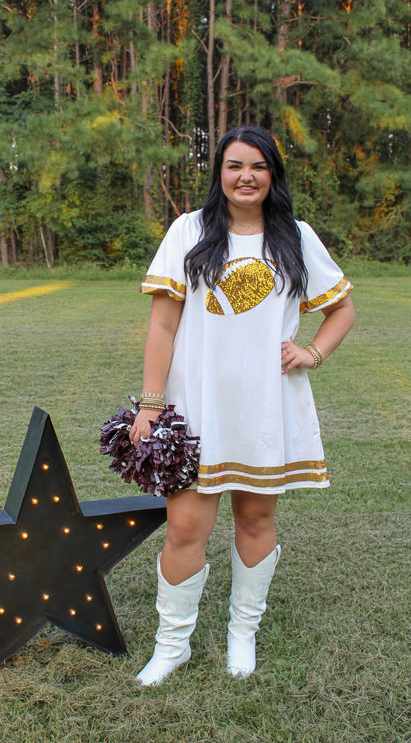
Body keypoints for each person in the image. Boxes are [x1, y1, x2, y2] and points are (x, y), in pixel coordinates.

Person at [129, 125, 355, 687]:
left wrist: (311, 353)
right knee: (184, 528)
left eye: (258, 166)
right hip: (195, 407)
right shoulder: (188, 230)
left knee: (256, 519)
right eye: (234, 165)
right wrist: (151, 404)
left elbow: (342, 310)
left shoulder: (296, 237)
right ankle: (172, 645)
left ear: (272, 173)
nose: (246, 176)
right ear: (220, 173)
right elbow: (162, 324)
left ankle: (242, 633)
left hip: (264, 408)